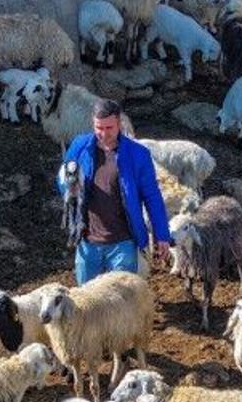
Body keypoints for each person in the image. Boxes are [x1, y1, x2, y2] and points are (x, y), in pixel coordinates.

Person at [57, 98, 170, 284]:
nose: (103, 133)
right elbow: (63, 176)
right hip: (87, 241)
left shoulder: (138, 154)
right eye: (98, 128)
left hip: (123, 243)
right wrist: (69, 188)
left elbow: (152, 196)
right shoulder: (80, 146)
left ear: (119, 123)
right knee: (87, 303)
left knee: (122, 303)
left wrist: (162, 235)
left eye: (109, 128)